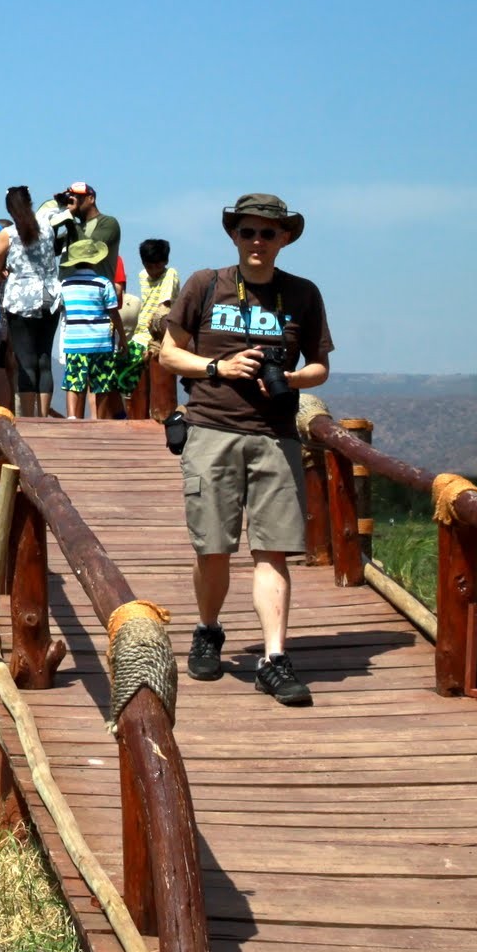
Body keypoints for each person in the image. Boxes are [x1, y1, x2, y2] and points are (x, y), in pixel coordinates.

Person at [162, 193, 332, 706]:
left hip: (275, 434)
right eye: (248, 232)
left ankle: (274, 659)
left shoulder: (302, 294)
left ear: (284, 239)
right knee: (212, 547)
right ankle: (208, 629)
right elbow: (169, 354)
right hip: (212, 427)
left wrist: (293, 378)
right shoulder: (204, 285)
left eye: (268, 233)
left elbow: (320, 365)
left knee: (272, 549)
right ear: (234, 236)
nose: (257, 242)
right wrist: (219, 368)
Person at [0, 185, 61, 417]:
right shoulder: (47, 227)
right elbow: (58, 210)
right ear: (30, 203)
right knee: (43, 360)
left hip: (21, 298)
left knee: (26, 361)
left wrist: (2, 273)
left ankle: (29, 418)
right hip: (50, 297)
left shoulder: (8, 234)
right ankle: (44, 416)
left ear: (9, 209)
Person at [58, 239, 121, 419]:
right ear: (95, 260)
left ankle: (71, 417)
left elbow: (62, 309)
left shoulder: (65, 284)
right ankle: (99, 420)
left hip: (74, 341)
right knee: (101, 383)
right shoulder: (104, 283)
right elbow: (114, 313)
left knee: (73, 381)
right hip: (100, 342)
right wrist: (122, 338)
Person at [115, 238, 178, 395]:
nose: (153, 270)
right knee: (120, 376)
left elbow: (164, 306)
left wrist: (155, 341)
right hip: (139, 334)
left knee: (149, 383)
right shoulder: (143, 275)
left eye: (158, 265)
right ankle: (126, 415)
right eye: (149, 266)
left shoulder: (170, 274)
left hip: (157, 336)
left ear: (165, 261)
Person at [58, 181, 123, 286]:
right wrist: (55, 217)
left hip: (95, 294)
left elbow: (89, 250)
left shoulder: (107, 223)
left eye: (76, 198)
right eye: (69, 199)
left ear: (91, 198)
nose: (71, 203)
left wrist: (70, 219)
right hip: (68, 295)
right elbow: (49, 248)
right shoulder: (73, 227)